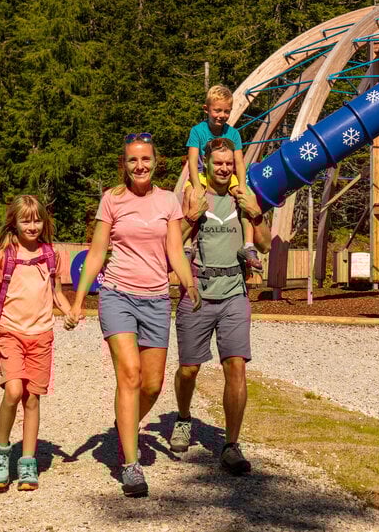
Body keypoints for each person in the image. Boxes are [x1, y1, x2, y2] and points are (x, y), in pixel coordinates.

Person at [66, 133, 199, 498]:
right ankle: (130, 464)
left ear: (156, 162)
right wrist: (79, 301)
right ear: (124, 164)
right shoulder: (112, 199)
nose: (139, 165)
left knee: (152, 385)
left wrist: (189, 284)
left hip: (157, 299)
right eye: (132, 160)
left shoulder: (168, 201)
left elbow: (175, 249)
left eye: (145, 159)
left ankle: (124, 422)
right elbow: (96, 254)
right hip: (117, 295)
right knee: (130, 374)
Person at [171, 137, 270, 475]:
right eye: (218, 163)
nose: (224, 168)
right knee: (189, 369)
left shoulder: (244, 197)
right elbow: (172, 241)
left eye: (229, 163)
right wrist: (191, 216)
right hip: (197, 293)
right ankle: (183, 418)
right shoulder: (195, 195)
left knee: (236, 367)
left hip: (234, 293)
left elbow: (266, 244)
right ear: (207, 166)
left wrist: (256, 216)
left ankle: (231, 444)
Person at [0, 195, 72, 492]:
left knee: (32, 399)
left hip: (42, 336)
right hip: (10, 333)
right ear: (15, 223)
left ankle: (28, 462)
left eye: (37, 220)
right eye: (26, 220)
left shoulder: (51, 255)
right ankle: (1, 453)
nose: (32, 226)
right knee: (14, 390)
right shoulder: (3, 255)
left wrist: (69, 311)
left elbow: (57, 293)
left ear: (44, 221)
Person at [184, 84, 262, 276]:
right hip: (203, 174)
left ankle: (249, 245)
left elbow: (239, 163)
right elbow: (192, 162)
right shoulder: (198, 131)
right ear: (207, 109)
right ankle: (187, 246)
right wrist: (196, 185)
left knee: (247, 198)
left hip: (228, 175)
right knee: (190, 195)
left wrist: (242, 186)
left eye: (226, 111)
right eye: (217, 110)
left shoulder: (232, 133)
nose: (222, 115)